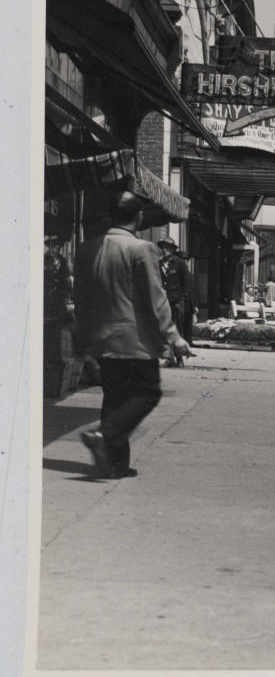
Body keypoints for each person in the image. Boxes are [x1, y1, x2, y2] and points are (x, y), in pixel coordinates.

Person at [73, 189, 192, 479]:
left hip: (103, 338)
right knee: (147, 393)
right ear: (139, 217)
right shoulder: (141, 249)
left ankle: (114, 464)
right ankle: (104, 435)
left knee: (114, 398)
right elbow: (156, 297)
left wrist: (84, 339)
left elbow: (81, 299)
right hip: (134, 339)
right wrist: (174, 337)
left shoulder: (88, 249)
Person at [156, 239, 194, 368]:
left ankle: (179, 358)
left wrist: (182, 299)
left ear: (172, 249)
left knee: (176, 329)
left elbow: (187, 283)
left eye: (167, 248)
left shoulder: (180, 263)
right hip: (163, 302)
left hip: (176, 301)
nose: (164, 250)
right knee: (164, 329)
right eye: (163, 248)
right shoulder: (159, 264)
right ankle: (169, 358)